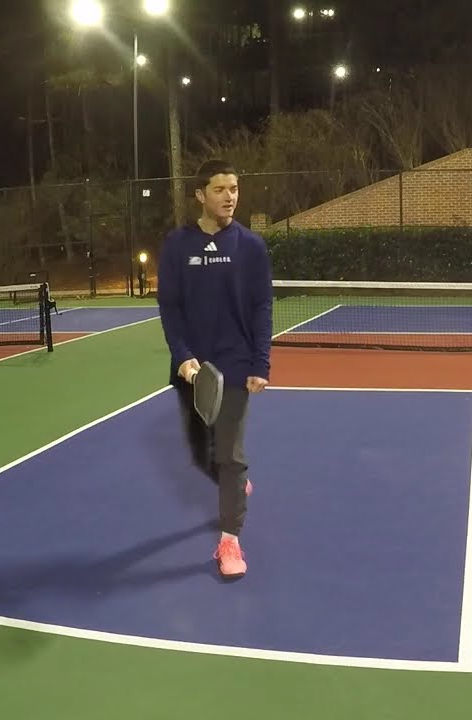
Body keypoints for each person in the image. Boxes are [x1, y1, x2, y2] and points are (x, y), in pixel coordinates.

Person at [157, 159, 273, 580]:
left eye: (235, 188)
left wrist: (261, 363)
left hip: (237, 365)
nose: (230, 196)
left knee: (230, 453)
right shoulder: (176, 246)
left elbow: (262, 306)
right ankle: (232, 482)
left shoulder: (252, 247)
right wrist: (182, 355)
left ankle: (229, 539)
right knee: (199, 451)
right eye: (221, 189)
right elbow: (169, 306)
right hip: (191, 368)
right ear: (200, 195)